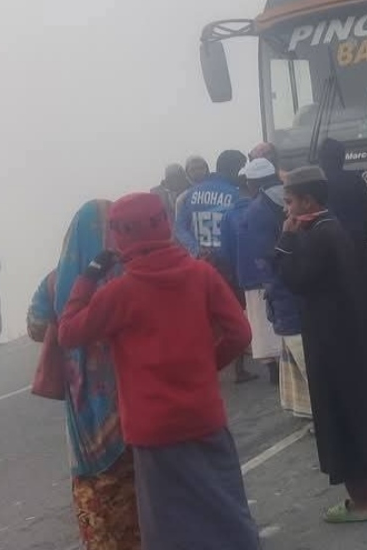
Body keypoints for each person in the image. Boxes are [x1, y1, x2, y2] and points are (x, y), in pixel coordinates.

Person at [57, 192, 258, 550]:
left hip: (153, 430)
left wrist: (89, 275)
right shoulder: (201, 275)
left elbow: (68, 332)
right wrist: (206, 368)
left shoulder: (118, 293)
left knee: (168, 528)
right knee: (227, 509)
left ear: (120, 236)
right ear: (164, 224)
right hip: (204, 415)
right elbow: (240, 333)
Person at [274, 166, 367, 523]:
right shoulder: (334, 228)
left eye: (290, 202)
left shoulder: (317, 235)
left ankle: (361, 503)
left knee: (342, 418)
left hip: (332, 342)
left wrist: (285, 241)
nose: (288, 211)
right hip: (356, 337)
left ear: (308, 200)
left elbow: (293, 277)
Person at [26, 200, 140, 549]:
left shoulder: (56, 280)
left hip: (83, 407)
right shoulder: (128, 273)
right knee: (143, 485)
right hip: (132, 394)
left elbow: (34, 326)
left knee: (96, 484)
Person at [238, 158, 310, 419]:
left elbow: (264, 258)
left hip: (283, 289)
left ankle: (319, 412)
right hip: (307, 285)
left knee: (299, 351)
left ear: (253, 182)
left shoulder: (256, 211)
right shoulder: (299, 198)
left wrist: (271, 287)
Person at [177, 150, 257, 383]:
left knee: (205, 315)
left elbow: (179, 227)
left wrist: (194, 249)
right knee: (233, 312)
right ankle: (238, 369)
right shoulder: (234, 194)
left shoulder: (191, 195)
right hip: (225, 262)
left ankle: (203, 365)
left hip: (200, 262)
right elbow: (238, 230)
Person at [318, 138, 367, 362]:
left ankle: (349, 347)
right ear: (342, 158)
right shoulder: (355, 181)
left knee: (339, 299)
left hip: (330, 253)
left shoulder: (318, 186)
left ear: (322, 160)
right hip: (358, 248)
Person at [224, 164, 280, 386]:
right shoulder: (276, 203)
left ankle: (273, 369)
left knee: (259, 324)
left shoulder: (232, 214)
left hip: (249, 276)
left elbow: (226, 251)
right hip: (273, 272)